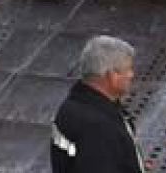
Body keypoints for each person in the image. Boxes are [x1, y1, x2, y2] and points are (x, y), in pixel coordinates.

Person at [50, 35, 144, 173]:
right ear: (112, 76)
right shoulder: (97, 127)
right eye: (128, 69)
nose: (132, 75)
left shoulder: (72, 106)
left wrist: (134, 162)